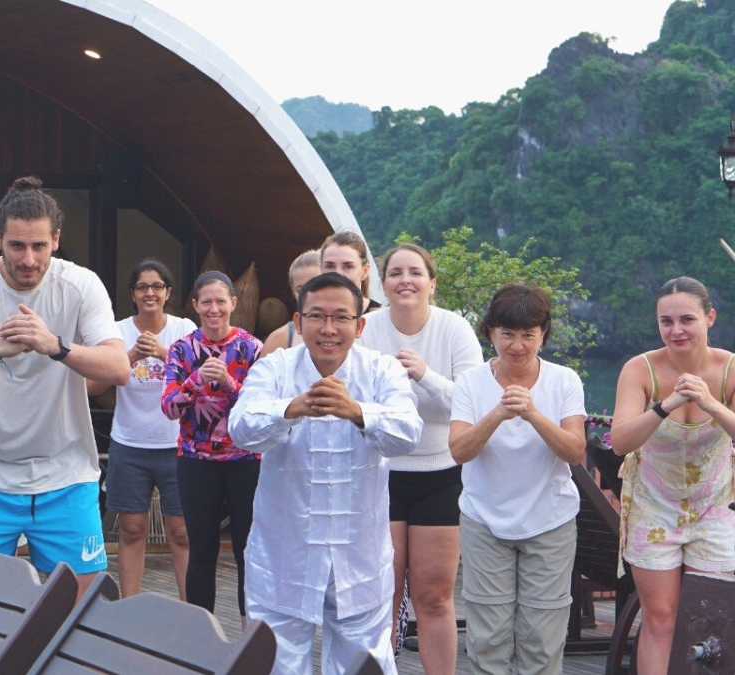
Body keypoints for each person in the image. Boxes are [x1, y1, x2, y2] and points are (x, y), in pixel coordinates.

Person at [0, 176, 128, 599]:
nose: (29, 259)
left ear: (56, 239)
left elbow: (118, 366)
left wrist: (53, 345)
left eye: (39, 246)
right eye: (17, 245)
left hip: (66, 475)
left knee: (77, 615)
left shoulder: (80, 284)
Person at [229, 272, 422, 674]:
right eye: (316, 317)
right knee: (276, 664)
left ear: (360, 324)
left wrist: (358, 412)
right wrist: (290, 408)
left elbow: (408, 432)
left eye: (340, 317)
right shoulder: (275, 369)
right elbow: (240, 428)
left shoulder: (382, 371)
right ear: (298, 323)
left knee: (365, 666)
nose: (328, 329)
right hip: (283, 554)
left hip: (359, 557)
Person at [449, 284, 585, 675]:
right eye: (507, 334)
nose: (517, 345)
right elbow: (459, 450)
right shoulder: (471, 383)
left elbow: (575, 451)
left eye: (528, 335)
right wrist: (497, 413)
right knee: (487, 638)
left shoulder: (564, 381)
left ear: (544, 334)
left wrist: (534, 414)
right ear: (490, 331)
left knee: (541, 640)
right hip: (483, 519)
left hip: (550, 521)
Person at [359, 243, 483, 674]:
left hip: (440, 472)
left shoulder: (454, 329)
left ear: (432, 283)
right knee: (383, 593)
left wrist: (425, 375)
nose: (405, 281)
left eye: (415, 272)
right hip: (381, 474)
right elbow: (354, 398)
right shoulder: (367, 328)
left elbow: (473, 402)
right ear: (383, 284)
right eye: (395, 273)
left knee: (434, 596)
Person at [609, 276, 735, 675]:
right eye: (666, 321)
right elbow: (620, 442)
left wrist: (712, 404)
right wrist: (665, 405)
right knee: (660, 617)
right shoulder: (640, 368)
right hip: (653, 505)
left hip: (713, 505)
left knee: (709, 616)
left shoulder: (730, 367)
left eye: (686, 319)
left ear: (709, 318)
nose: (676, 330)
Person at [87, 259, 194, 599]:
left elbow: (199, 381)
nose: (150, 293)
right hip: (129, 444)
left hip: (176, 444)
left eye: (157, 287)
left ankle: (191, 608)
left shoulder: (183, 328)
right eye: (142, 287)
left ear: (168, 293)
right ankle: (129, 607)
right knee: (132, 529)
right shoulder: (116, 332)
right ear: (133, 294)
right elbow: (92, 383)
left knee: (180, 531)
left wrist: (165, 354)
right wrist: (130, 356)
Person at [161, 271, 262, 624]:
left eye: (221, 301)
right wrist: (196, 380)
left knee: (248, 550)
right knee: (201, 550)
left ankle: (252, 635)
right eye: (207, 302)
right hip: (196, 460)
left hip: (245, 459)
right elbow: (169, 407)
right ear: (195, 306)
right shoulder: (182, 349)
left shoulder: (251, 347)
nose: (214, 309)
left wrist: (230, 383)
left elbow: (260, 408)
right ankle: (199, 636)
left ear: (234, 303)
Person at [262, 249, 321, 355]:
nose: (308, 295)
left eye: (316, 286)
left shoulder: (350, 332)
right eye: (300, 290)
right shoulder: (279, 339)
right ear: (293, 292)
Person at [320, 230, 381, 314]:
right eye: (330, 266)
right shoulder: (310, 318)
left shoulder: (383, 319)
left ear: (364, 271)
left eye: (348, 266)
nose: (338, 274)